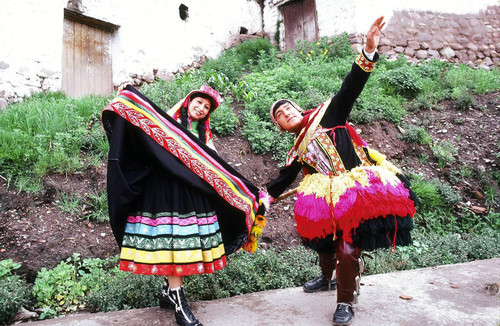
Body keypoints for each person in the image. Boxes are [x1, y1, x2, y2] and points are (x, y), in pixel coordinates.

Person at [259, 16, 417, 325]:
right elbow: (282, 179)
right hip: (323, 197)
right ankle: (326, 278)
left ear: (298, 108)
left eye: (288, 107)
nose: (286, 111)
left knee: (347, 247)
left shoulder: (327, 113)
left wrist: (368, 51)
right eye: (280, 114)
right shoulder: (296, 150)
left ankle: (345, 301)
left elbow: (350, 87)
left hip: (353, 190)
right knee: (323, 242)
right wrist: (264, 198)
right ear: (279, 126)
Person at [101, 85, 261, 326]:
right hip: (163, 191)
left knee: (183, 245)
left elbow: (216, 168)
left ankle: (168, 290)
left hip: (190, 195)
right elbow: (143, 133)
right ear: (188, 102)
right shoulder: (165, 123)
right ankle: (179, 305)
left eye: (207, 107)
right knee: (173, 244)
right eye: (198, 102)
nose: (201, 108)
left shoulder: (204, 137)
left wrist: (250, 192)